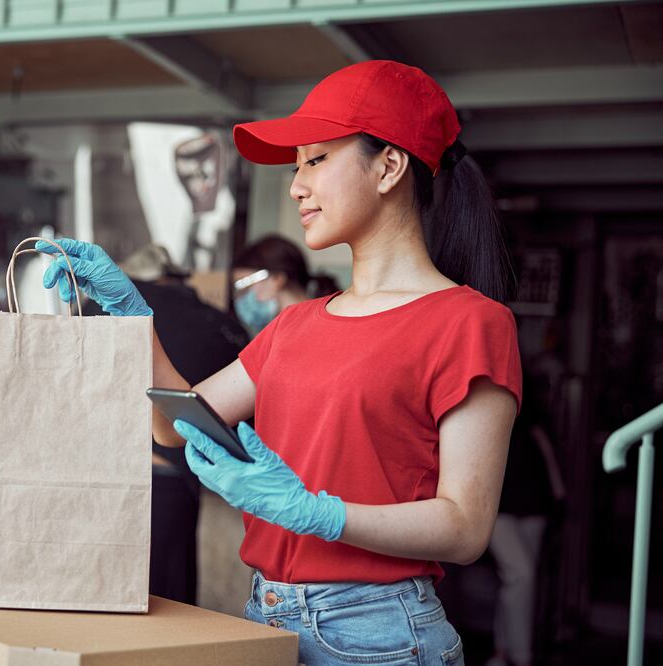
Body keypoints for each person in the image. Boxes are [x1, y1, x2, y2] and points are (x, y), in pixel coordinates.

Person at [38, 60, 521, 665]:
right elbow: (175, 428)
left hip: (379, 633)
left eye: (316, 159)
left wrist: (316, 513)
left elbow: (465, 528)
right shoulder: (295, 324)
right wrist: (135, 318)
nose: (296, 185)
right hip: (265, 617)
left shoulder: (469, 322)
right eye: (296, 166)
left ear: (390, 166)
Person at [84, 243, 248, 605]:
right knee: (167, 618)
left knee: (96, 607)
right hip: (173, 483)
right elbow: (178, 429)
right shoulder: (220, 323)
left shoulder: (99, 309)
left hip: (103, 477)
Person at [486, 375, 566, 666]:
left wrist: (558, 491)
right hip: (496, 504)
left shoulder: (529, 404)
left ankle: (503, 651)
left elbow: (545, 446)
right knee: (522, 574)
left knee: (518, 580)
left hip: (534, 500)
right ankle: (521, 656)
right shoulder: (480, 399)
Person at [231, 235, 339, 335]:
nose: (240, 298)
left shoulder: (315, 330)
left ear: (276, 278)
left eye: (244, 286)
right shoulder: (277, 332)